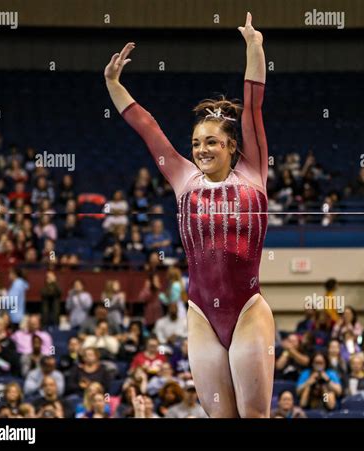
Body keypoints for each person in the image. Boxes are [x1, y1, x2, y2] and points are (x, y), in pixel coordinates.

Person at [105, 11, 274, 417]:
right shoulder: (184, 179)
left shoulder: (253, 174)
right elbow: (147, 128)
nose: (201, 150)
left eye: (212, 142)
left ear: (232, 146)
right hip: (201, 315)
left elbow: (252, 106)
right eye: (196, 142)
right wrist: (113, 84)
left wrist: (255, 47)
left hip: (248, 309)